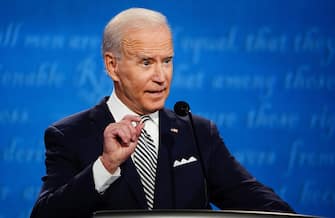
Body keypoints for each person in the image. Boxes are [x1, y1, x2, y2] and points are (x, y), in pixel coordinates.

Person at [30, 8, 294, 218]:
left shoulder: (198, 132)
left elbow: (254, 200)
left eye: (167, 61)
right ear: (112, 66)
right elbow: (45, 214)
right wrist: (106, 165)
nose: (161, 77)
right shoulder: (70, 134)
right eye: (146, 62)